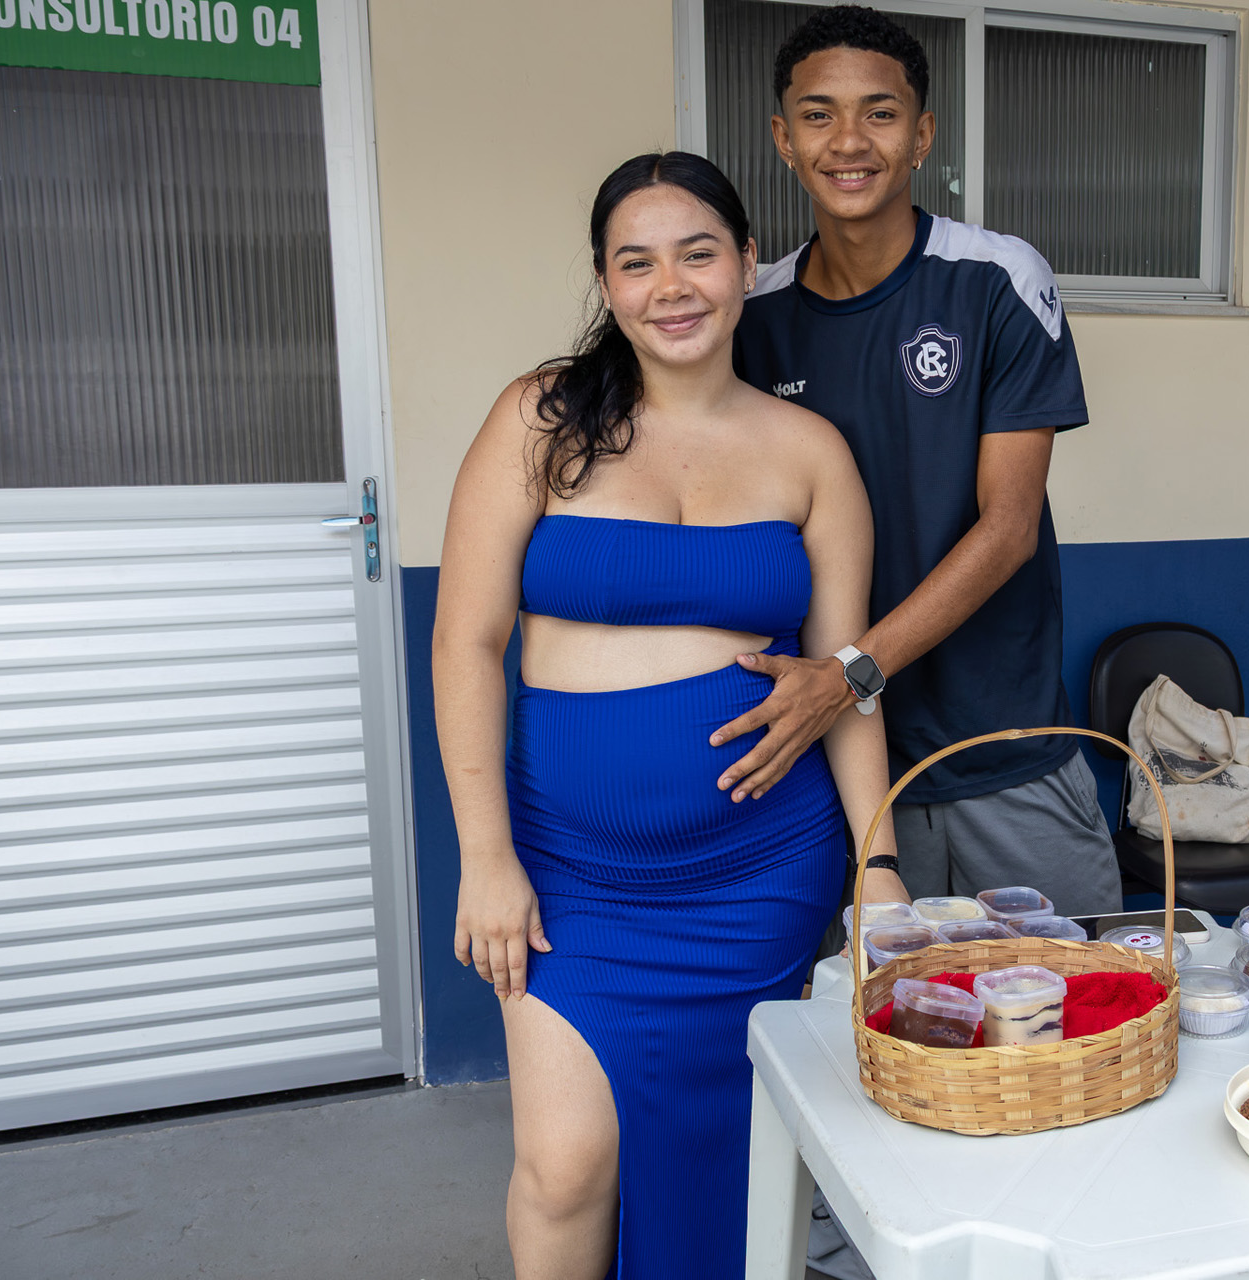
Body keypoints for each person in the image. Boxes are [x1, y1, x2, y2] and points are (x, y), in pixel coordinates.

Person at [433, 151, 908, 1280]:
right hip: (573, 874)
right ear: (606, 282)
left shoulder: (811, 451)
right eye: (636, 262)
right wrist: (485, 857)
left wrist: (878, 865)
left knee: (724, 1156)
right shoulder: (542, 418)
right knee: (564, 1168)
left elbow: (848, 680)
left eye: (698, 253)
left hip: (760, 871)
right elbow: (466, 643)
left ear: (747, 261)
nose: (671, 286)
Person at [724, 4, 1123, 918]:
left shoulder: (996, 280)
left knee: (1071, 994)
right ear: (784, 139)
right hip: (828, 766)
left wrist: (849, 673)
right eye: (818, 115)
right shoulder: (754, 316)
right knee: (856, 1009)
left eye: (880, 112)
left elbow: (1009, 528)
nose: (848, 141)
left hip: (1002, 755)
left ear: (922, 135)